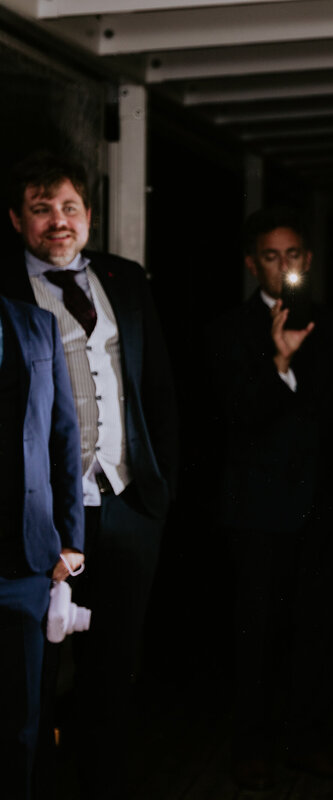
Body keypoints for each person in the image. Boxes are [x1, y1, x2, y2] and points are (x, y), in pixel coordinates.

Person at [3, 151, 178, 800]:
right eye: (42, 209)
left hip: (129, 505)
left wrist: (162, 489)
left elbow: (156, 387)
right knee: (36, 674)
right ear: (17, 219)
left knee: (114, 667)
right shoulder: (5, 291)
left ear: (89, 217)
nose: (58, 222)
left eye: (69, 208)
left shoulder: (125, 279)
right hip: (43, 516)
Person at [206, 207, 333, 790]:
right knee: (257, 635)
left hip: (319, 506)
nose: (283, 266)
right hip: (257, 513)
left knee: (317, 633)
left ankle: (307, 743)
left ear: (307, 261)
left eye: (292, 255)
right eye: (271, 256)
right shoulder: (228, 330)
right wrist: (279, 363)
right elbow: (237, 417)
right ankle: (252, 748)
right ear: (252, 264)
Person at [0, 296, 83, 800]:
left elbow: (63, 434)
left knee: (19, 723)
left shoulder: (37, 324)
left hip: (24, 560)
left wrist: (71, 539)